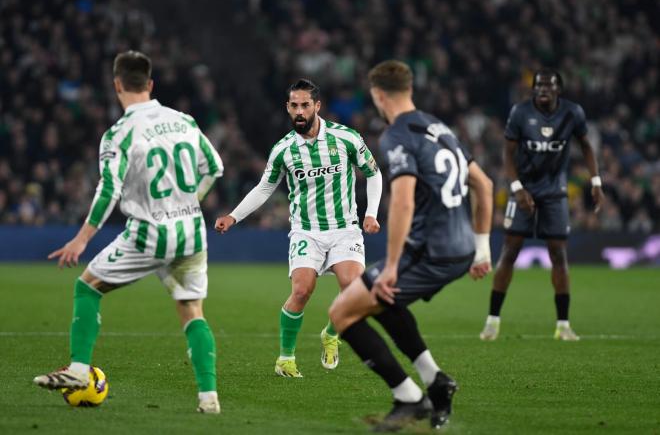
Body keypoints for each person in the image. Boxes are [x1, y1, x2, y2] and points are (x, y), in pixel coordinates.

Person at [33, 51, 224, 414]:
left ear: (117, 84)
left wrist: (82, 239)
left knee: (87, 286)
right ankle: (208, 397)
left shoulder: (119, 134)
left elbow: (108, 191)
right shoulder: (183, 120)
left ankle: (76, 369)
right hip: (191, 232)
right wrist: (191, 201)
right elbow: (215, 166)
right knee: (191, 310)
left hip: (148, 233)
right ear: (150, 85)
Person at [328, 60, 493, 431]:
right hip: (460, 246)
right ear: (410, 90)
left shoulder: (397, 134)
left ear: (378, 95)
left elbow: (402, 201)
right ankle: (436, 382)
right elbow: (484, 186)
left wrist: (390, 265)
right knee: (385, 301)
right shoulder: (439, 127)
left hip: (431, 249)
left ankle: (409, 397)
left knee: (342, 313)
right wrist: (481, 248)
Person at [215, 79, 382, 378]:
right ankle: (285, 359)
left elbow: (374, 173)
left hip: (345, 228)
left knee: (353, 289)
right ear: (287, 108)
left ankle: (332, 333)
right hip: (306, 230)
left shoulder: (346, 138)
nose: (300, 111)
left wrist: (370, 213)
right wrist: (233, 216)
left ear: (317, 106)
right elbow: (264, 188)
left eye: (305, 105)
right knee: (303, 290)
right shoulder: (283, 150)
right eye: (294, 105)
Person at [479, 68, 604, 342]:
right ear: (532, 89)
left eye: (548, 86)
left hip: (555, 192)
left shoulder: (573, 113)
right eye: (538, 86)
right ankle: (492, 322)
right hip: (522, 189)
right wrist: (517, 188)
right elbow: (507, 154)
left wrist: (595, 181)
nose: (542, 90)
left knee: (559, 255)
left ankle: (563, 325)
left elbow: (586, 146)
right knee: (509, 251)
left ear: (559, 89)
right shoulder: (520, 113)